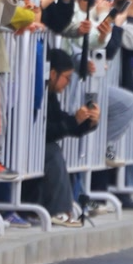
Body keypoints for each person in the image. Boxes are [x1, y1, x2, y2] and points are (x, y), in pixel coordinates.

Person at [41, 48, 99, 225]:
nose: (68, 83)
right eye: (66, 77)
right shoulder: (39, 91)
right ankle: (58, 210)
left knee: (56, 151)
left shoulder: (50, 95)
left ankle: (65, 207)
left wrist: (87, 122)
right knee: (53, 150)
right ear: (52, 73)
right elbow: (47, 131)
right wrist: (73, 121)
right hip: (25, 151)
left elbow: (60, 121)